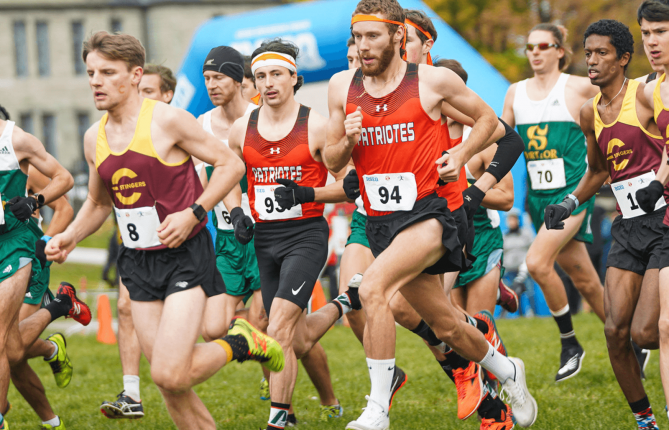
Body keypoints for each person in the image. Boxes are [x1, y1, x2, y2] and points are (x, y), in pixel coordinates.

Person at [45, 31, 285, 430]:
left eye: (107, 72)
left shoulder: (169, 120)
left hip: (184, 257)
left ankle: (243, 342)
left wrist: (194, 212)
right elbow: (100, 204)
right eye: (90, 73)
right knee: (168, 381)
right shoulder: (94, 138)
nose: (95, 82)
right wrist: (70, 235)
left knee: (171, 373)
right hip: (137, 262)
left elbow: (231, 166)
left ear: (136, 75)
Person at [326, 1, 537, 428]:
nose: (362, 47)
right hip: (384, 221)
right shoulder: (341, 86)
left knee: (372, 289)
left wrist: (461, 153)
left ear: (397, 37)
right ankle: (507, 369)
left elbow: (489, 121)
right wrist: (347, 141)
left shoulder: (432, 81)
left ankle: (377, 410)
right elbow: (332, 160)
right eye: (357, 37)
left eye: (373, 37)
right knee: (447, 326)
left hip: (432, 214)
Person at [217, 38, 360, 430]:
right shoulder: (241, 129)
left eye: (276, 74)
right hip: (264, 239)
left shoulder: (314, 124)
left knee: (276, 326)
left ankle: (280, 420)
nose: (268, 83)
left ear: (293, 78)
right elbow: (226, 174)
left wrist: (304, 193)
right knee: (294, 339)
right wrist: (236, 212)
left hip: (306, 235)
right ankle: (345, 303)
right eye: (260, 76)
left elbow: (350, 186)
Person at [546, 19, 664, 430]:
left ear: (624, 58)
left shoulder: (647, 94)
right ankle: (645, 420)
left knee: (647, 333)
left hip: (663, 221)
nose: (592, 61)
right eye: (589, 52)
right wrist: (568, 202)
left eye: (602, 53)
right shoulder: (587, 112)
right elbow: (597, 171)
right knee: (615, 331)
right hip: (628, 226)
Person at [502, 22, 606, 382]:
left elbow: (618, 107)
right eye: (529, 46)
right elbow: (500, 141)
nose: (534, 52)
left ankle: (569, 343)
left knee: (536, 262)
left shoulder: (578, 86)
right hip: (538, 200)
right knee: (585, 280)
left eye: (543, 46)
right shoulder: (515, 93)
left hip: (573, 195)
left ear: (560, 51)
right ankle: (626, 338)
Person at [100, 61, 176, 419]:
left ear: (167, 95)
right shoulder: (108, 133)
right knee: (125, 308)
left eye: (148, 92)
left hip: (185, 244)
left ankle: (236, 347)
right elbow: (101, 198)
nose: (140, 98)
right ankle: (131, 393)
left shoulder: (173, 129)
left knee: (211, 326)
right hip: (136, 244)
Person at [0, 109, 75, 430]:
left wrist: (35, 202)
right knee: (13, 350)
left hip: (17, 244)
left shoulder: (17, 140)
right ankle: (59, 309)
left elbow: (65, 181)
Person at [635, 0, 669, 424]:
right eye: (646, 33)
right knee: (659, 328)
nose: (652, 41)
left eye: (660, 31)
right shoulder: (653, 88)